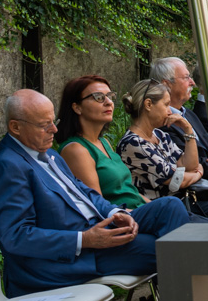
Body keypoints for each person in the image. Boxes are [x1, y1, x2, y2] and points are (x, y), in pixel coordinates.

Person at [0, 89, 192, 301]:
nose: (54, 129)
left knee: (170, 206)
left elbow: (85, 193)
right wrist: (85, 239)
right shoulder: (7, 166)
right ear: (15, 127)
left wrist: (116, 212)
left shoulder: (49, 154)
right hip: (70, 258)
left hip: (100, 228)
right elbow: (16, 236)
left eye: (55, 121)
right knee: (170, 250)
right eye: (44, 125)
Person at [54, 76, 147, 209]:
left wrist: (155, 207)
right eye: (99, 97)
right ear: (77, 108)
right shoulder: (76, 150)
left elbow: (130, 192)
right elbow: (99, 205)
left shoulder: (104, 142)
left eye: (110, 96)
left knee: (171, 206)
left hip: (139, 210)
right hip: (123, 219)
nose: (109, 102)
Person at [118, 79, 206, 203]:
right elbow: (178, 181)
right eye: (166, 104)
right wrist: (199, 173)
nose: (170, 111)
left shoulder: (159, 134)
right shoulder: (134, 144)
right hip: (162, 212)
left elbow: (190, 166)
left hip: (182, 202)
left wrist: (188, 130)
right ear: (148, 104)